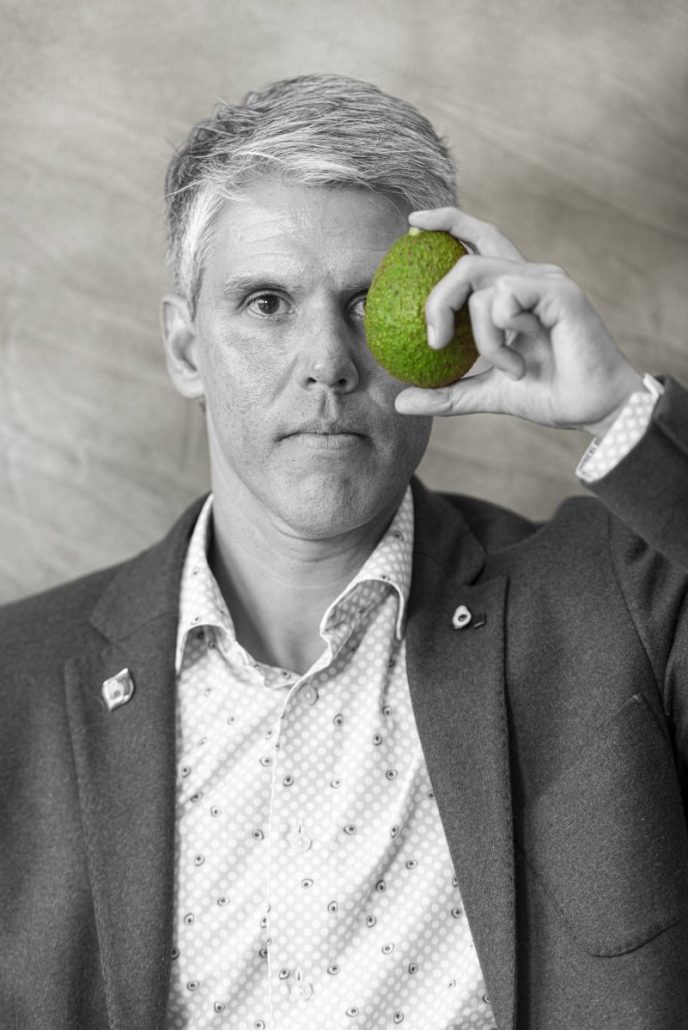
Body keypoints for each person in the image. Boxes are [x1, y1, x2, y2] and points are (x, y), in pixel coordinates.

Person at [1, 73, 686, 1030]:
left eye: (367, 303)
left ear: (448, 328)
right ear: (187, 350)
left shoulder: (613, 603)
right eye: (267, 303)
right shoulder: (18, 683)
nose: (327, 361)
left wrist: (617, 411)